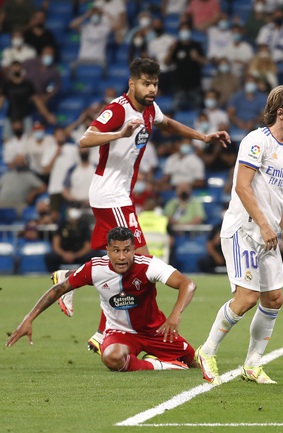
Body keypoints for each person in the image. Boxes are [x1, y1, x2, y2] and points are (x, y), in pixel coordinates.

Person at [54, 57, 230, 355]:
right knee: (142, 263)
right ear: (132, 83)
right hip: (111, 194)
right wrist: (119, 134)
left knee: (128, 264)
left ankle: (94, 318)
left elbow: (168, 123)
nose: (152, 89)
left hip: (119, 194)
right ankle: (134, 329)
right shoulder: (118, 109)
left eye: (156, 84)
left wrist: (202, 137)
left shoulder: (149, 108)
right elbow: (85, 139)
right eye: (147, 84)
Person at [195, 84, 283, 386]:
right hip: (243, 230)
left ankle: (253, 364)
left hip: (268, 234)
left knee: (274, 298)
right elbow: (243, 187)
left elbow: (278, 194)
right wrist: (265, 225)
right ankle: (207, 351)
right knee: (246, 299)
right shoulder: (256, 141)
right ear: (281, 112)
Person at [6, 227, 199, 373]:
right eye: (116, 250)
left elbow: (187, 284)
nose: (122, 257)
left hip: (155, 330)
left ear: (134, 250)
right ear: (107, 250)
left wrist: (175, 314)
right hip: (120, 332)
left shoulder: (148, 265)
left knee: (192, 361)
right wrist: (29, 319)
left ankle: (163, 358)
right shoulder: (95, 268)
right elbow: (59, 288)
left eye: (127, 250)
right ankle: (160, 365)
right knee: (111, 358)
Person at [44, 207, 101, 272]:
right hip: (63, 255)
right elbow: (55, 244)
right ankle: (54, 275)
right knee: (50, 257)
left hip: (79, 255)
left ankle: (88, 275)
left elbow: (87, 246)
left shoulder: (84, 225)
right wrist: (64, 254)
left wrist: (75, 255)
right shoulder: (62, 223)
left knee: (95, 256)